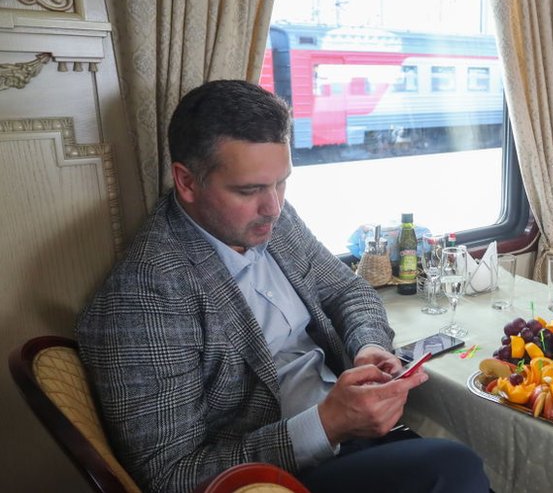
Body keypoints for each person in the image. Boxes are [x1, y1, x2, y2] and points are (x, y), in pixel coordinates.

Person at [76, 80, 489, 492]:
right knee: (453, 466)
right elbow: (172, 476)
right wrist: (327, 424)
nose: (273, 207)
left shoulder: (271, 217)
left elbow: (347, 290)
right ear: (186, 181)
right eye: (249, 189)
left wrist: (367, 347)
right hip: (283, 474)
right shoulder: (147, 293)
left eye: (281, 182)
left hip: (350, 428)